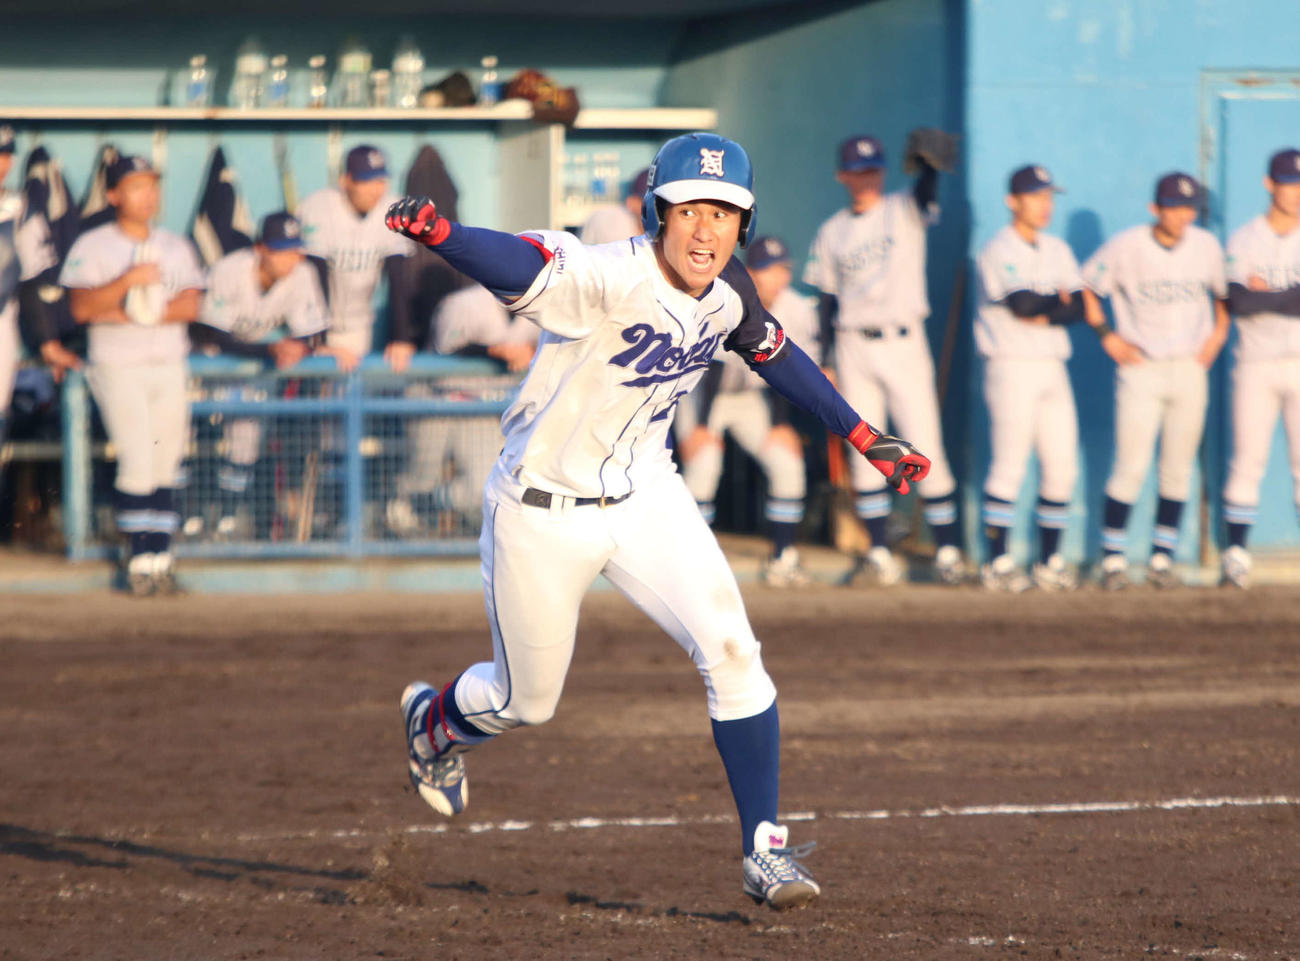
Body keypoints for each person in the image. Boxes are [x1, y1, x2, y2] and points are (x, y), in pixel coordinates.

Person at [384, 132, 931, 909]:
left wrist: (861, 434)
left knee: (736, 651)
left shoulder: (728, 284)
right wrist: (446, 237)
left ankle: (764, 849)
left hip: (645, 492)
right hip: (542, 510)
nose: (706, 229)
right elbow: (525, 264)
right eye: (689, 210)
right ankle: (434, 720)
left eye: (724, 212)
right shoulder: (608, 274)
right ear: (657, 212)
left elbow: (773, 352)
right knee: (524, 702)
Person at [804, 133, 965, 586]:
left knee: (923, 441)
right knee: (868, 448)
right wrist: (827, 359)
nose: (866, 178)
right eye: (857, 171)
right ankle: (878, 552)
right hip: (853, 343)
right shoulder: (831, 230)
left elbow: (926, 193)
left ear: (883, 171)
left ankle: (949, 550)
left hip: (903, 339)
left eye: (872, 168)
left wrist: (930, 168)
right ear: (843, 176)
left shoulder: (902, 208)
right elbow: (826, 300)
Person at [59, 155, 205, 594]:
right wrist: (128, 283)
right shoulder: (94, 244)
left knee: (167, 460)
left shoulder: (176, 245)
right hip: (118, 364)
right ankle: (140, 559)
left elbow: (192, 305)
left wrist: (133, 312)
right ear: (114, 194)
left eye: (152, 186)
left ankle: (160, 557)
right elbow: (83, 308)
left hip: (167, 362)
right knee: (138, 458)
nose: (148, 195)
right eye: (137, 186)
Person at [1082, 173, 1229, 589]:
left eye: (1189, 207)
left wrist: (1217, 336)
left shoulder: (1205, 246)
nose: (1183, 214)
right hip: (1141, 369)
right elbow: (1086, 286)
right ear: (1155, 208)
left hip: (1188, 368)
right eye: (1174, 206)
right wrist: (1106, 336)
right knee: (1129, 467)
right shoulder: (1128, 246)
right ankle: (1113, 561)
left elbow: (1224, 296)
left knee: (1177, 470)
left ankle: (1161, 561)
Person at [675, 235, 820, 586]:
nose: (778, 278)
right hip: (700, 394)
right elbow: (715, 368)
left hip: (751, 399)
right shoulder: (726, 297)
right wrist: (701, 429)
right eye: (768, 270)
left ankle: (783, 558)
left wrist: (781, 425)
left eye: (782, 269)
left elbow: (788, 368)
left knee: (787, 463)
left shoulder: (795, 307)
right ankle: (698, 566)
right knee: (705, 463)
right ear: (751, 273)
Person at [974, 164, 1086, 592]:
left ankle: (1048, 562)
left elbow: (1077, 308)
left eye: (1048, 197)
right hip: (1011, 365)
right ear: (1013, 201)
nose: (1045, 205)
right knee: (1010, 465)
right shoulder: (997, 249)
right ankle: (997, 563)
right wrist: (1051, 304)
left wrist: (1053, 308)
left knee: (1062, 467)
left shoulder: (1058, 249)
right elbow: (1022, 306)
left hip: (1052, 366)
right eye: (1036, 196)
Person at [189, 211, 329, 538]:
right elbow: (211, 334)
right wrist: (271, 350)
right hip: (207, 360)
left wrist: (301, 348)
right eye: (282, 249)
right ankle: (191, 514)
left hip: (253, 362)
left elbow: (314, 332)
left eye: (295, 249)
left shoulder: (303, 273)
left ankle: (226, 519)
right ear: (261, 249)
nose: (290, 258)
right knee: (190, 442)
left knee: (245, 442)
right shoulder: (230, 270)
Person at [387, 281, 537, 537]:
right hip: (435, 400)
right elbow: (448, 349)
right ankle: (400, 518)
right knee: (420, 477)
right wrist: (495, 351)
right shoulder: (464, 303)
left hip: (479, 408)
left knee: (483, 489)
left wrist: (531, 351)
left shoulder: (539, 307)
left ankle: (432, 505)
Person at [1220, 147, 1300, 588]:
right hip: (1255, 364)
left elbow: (1264, 298)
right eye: (1289, 183)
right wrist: (1286, 295)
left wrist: (1268, 294)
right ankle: (1235, 556)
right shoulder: (1244, 238)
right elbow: (1238, 301)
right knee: (1247, 460)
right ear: (1270, 185)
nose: (1297, 192)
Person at [297, 144, 414, 368]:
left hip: (360, 325)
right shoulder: (319, 206)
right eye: (366, 180)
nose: (375, 190)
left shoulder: (393, 208)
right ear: (346, 181)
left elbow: (399, 278)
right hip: (312, 321)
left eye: (380, 181)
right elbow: (313, 278)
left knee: (354, 392)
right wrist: (318, 340)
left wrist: (402, 338)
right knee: (316, 394)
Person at [1, 124, 58, 450]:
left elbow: (31, 282)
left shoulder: (20, 209)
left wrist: (48, 341)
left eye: (6, 155)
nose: (2, 164)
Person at [578, 167, 649, 245]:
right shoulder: (610, 222)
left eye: (663, 203)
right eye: (652, 202)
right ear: (633, 203)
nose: (659, 209)